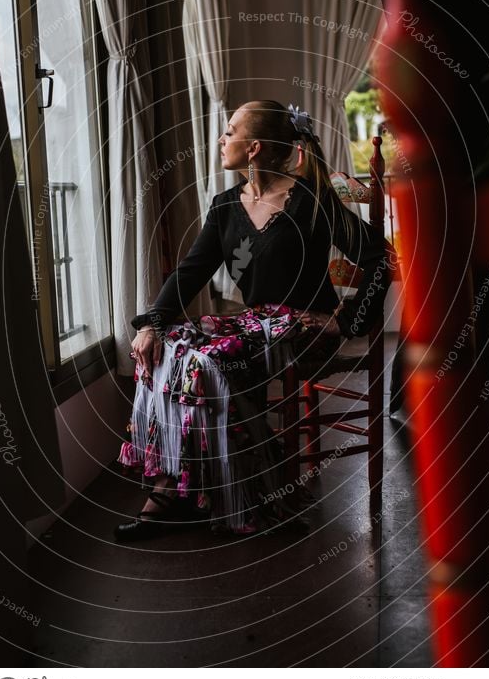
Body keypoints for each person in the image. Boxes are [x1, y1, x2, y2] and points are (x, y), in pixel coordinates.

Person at [114, 100, 394, 541]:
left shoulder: (312, 201)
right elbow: (190, 273)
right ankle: (180, 488)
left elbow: (380, 260)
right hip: (254, 325)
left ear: (254, 147)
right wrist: (151, 324)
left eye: (230, 130)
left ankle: (244, 495)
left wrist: (346, 321)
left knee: (212, 362)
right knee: (169, 346)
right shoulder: (226, 206)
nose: (221, 138)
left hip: (304, 330)